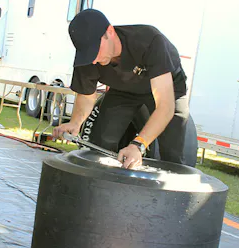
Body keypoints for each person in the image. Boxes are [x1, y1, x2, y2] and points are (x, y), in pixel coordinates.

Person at [52, 9, 193, 169]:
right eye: (88, 54)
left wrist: (138, 144)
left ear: (110, 32)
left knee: (172, 151)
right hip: (123, 89)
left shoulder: (150, 41)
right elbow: (86, 96)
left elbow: (165, 106)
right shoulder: (88, 59)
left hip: (168, 88)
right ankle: (102, 181)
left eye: (96, 50)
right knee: (101, 140)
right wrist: (75, 122)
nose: (94, 60)